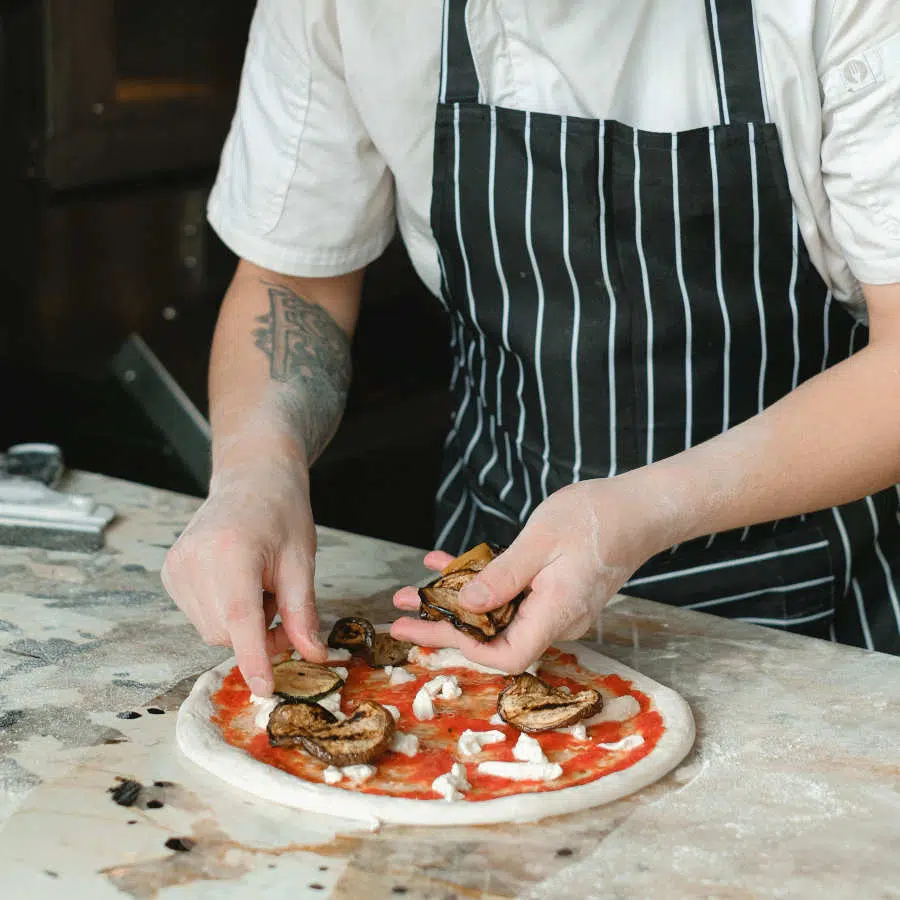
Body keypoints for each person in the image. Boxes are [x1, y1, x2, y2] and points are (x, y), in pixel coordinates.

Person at [162, 0, 900, 696]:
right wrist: (256, 472)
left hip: (803, 613)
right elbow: (294, 280)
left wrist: (645, 509)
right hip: (483, 608)